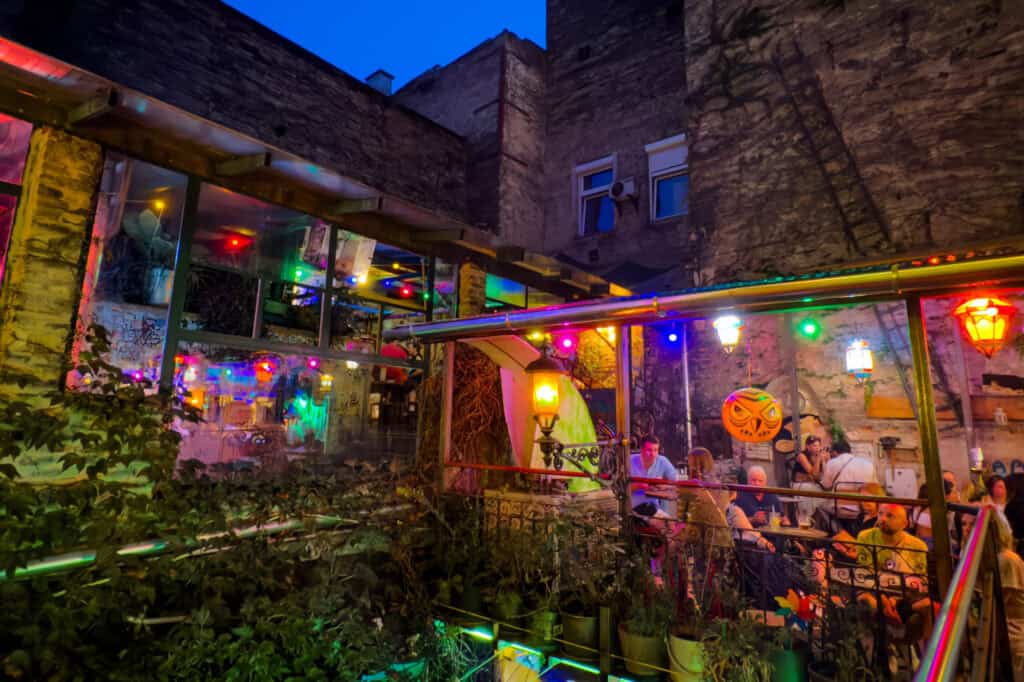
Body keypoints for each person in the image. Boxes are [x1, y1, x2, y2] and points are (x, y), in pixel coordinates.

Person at [821, 442, 877, 520]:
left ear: (834, 452)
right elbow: (874, 487)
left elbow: (826, 486)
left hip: (839, 508)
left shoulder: (832, 463)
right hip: (863, 508)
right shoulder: (868, 464)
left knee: (819, 506)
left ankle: (836, 530)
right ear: (850, 451)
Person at [630, 435, 678, 514]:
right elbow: (621, 488)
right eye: (649, 450)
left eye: (655, 450)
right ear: (641, 449)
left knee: (669, 522)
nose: (653, 454)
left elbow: (675, 482)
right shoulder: (629, 461)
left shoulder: (662, 461)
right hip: (633, 507)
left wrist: (663, 484)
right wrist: (640, 485)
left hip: (653, 507)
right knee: (668, 523)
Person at [791, 435, 827, 519]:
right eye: (814, 446)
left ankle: (816, 516)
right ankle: (806, 517)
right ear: (807, 446)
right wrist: (819, 459)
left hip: (811, 484)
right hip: (800, 485)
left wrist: (825, 461)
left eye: (818, 445)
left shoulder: (818, 456)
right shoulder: (802, 456)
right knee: (819, 492)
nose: (817, 448)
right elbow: (814, 474)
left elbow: (824, 474)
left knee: (825, 492)